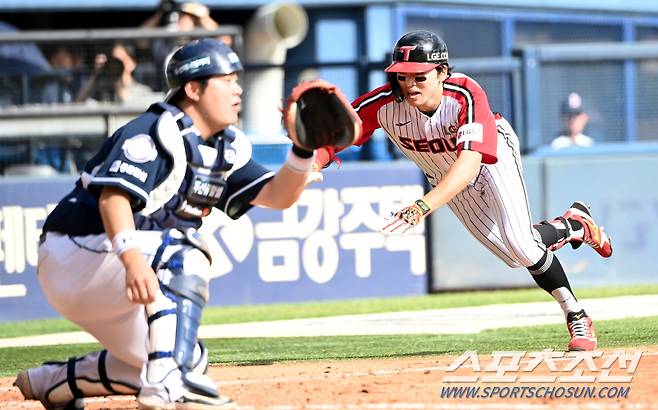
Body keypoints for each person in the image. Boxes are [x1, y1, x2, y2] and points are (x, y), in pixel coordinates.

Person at [13, 38, 318, 409]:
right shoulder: (155, 131)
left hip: (117, 265)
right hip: (76, 252)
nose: (238, 88)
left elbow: (277, 196)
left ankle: (55, 382)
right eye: (227, 80)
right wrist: (132, 259)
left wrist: (301, 152)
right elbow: (114, 198)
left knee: (186, 356)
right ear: (193, 88)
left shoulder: (225, 146)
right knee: (186, 251)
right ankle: (165, 385)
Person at [313, 30, 613, 352]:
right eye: (401, 75)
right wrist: (312, 163)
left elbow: (470, 164)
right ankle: (573, 225)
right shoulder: (384, 103)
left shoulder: (465, 93)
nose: (409, 84)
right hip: (444, 176)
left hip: (488, 158)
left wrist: (421, 207)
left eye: (419, 76)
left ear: (442, 72)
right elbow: (335, 137)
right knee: (513, 256)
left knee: (522, 245)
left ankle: (575, 314)